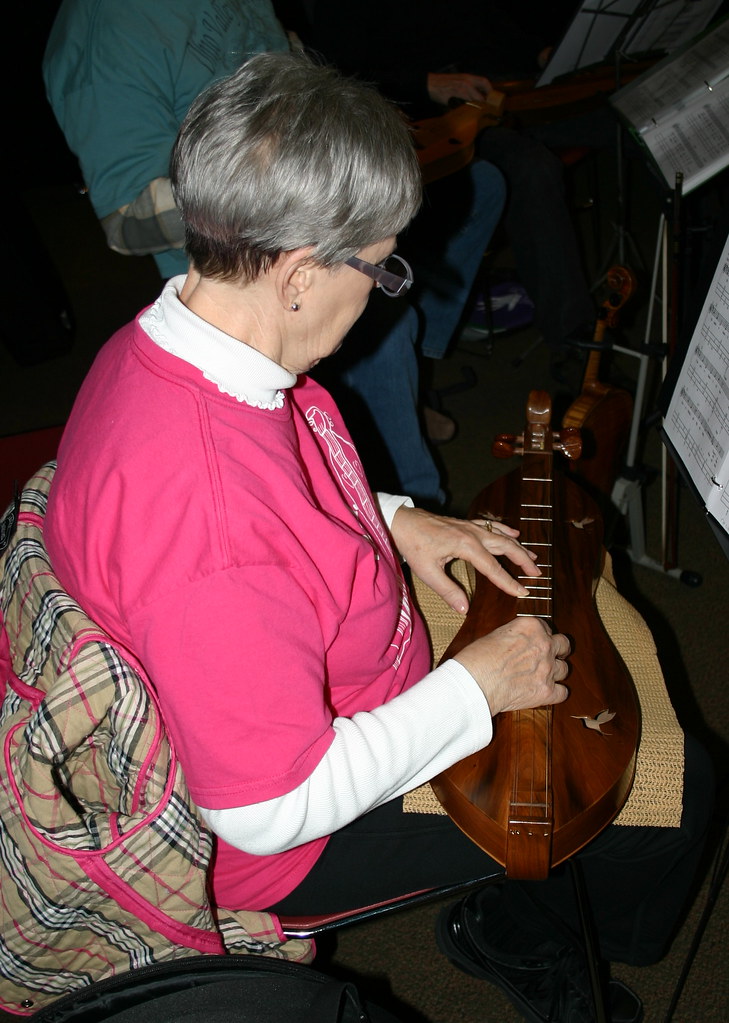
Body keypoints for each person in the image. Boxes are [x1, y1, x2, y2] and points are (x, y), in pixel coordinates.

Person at [44, 52, 710, 1023]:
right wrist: (475, 687)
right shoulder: (210, 528)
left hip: (320, 667)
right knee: (675, 801)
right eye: (381, 264)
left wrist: (396, 519)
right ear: (298, 273)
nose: (388, 287)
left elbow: (284, 485)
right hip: (292, 828)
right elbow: (267, 811)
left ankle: (527, 902)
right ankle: (516, 932)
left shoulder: (184, 337)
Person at [42, 0, 506, 506]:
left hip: (306, 231)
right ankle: (415, 485)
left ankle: (402, 415)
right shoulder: (109, 27)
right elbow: (125, 217)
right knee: (388, 328)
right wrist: (282, 198)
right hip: (249, 273)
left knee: (479, 190)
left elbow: (291, 74)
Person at [298, 0, 599, 352]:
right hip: (415, 116)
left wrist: (540, 53)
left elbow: (485, 21)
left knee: (607, 114)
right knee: (530, 167)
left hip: (484, 89)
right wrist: (426, 84)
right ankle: (575, 339)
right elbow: (336, 73)